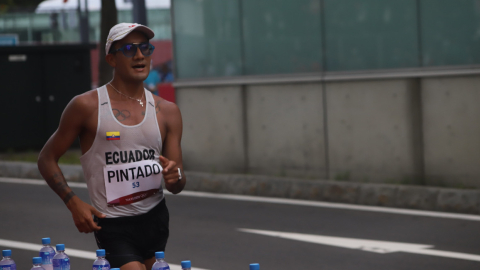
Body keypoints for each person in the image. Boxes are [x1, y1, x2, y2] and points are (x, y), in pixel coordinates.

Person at [37, 23, 186, 270]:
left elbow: (178, 182)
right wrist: (73, 203)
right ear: (111, 59)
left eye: (145, 48)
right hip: (113, 223)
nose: (139, 55)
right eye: (128, 49)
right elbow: (46, 158)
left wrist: (174, 176)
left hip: (156, 218)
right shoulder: (86, 106)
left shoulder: (168, 111)